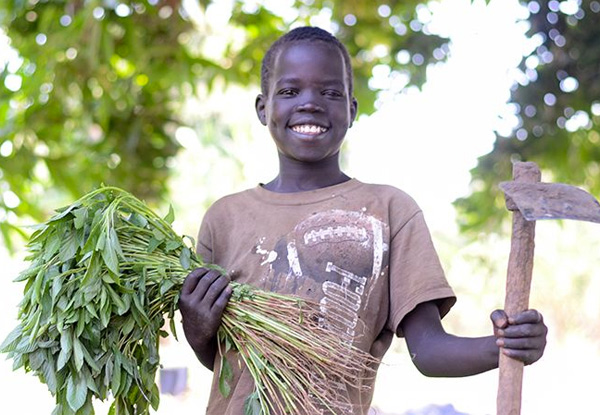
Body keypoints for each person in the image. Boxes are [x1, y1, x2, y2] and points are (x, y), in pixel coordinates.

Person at [178, 26, 547, 414]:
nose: (310, 103)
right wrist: (197, 328)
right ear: (263, 108)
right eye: (290, 91)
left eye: (330, 92)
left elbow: (428, 351)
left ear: (351, 110)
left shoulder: (389, 210)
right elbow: (225, 362)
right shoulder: (225, 219)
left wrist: (504, 347)